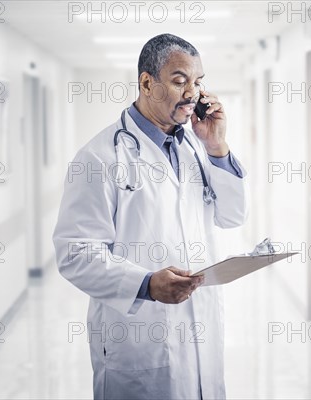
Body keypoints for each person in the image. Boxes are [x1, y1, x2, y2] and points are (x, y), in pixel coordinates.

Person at [53, 33, 248, 400]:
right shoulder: (98, 159)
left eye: (198, 81)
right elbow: (75, 254)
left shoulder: (195, 148)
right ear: (147, 82)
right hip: (139, 338)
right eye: (179, 81)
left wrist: (217, 146)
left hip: (198, 328)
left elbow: (233, 215)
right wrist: (145, 284)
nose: (193, 93)